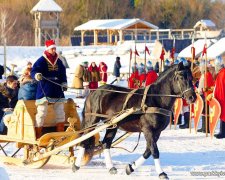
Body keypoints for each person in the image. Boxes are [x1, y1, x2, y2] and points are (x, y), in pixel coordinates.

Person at [31, 39, 67, 138]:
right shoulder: (41, 60)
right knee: (42, 112)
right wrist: (37, 75)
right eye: (52, 49)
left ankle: (60, 135)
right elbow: (34, 70)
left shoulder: (59, 61)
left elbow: (63, 73)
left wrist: (64, 83)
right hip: (45, 89)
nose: (54, 50)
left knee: (60, 112)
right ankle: (37, 134)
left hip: (57, 90)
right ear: (48, 49)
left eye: (55, 48)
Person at [197, 60, 214, 133]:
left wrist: (202, 89)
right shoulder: (204, 74)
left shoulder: (207, 74)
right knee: (203, 111)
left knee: (206, 112)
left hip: (206, 94)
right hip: (203, 94)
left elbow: (207, 86)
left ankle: (206, 128)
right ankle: (204, 127)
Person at [210, 56, 225, 138]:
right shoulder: (221, 73)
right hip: (220, 98)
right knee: (221, 114)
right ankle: (222, 131)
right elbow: (217, 87)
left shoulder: (223, 73)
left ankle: (223, 132)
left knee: (223, 114)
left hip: (223, 98)